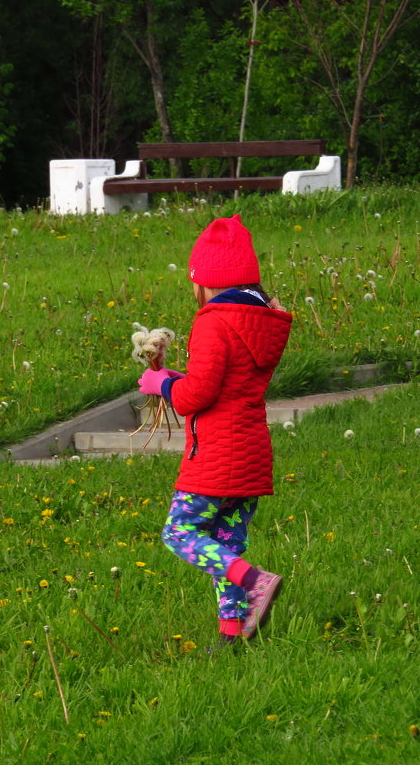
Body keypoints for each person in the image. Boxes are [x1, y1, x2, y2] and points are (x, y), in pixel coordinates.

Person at [138, 214, 292, 647]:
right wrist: (178, 376)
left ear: (206, 279)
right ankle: (231, 635)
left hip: (216, 456)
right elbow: (224, 381)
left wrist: (161, 383)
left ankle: (255, 580)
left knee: (179, 533)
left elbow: (194, 398)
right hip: (251, 453)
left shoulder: (212, 320)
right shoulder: (260, 321)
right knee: (225, 544)